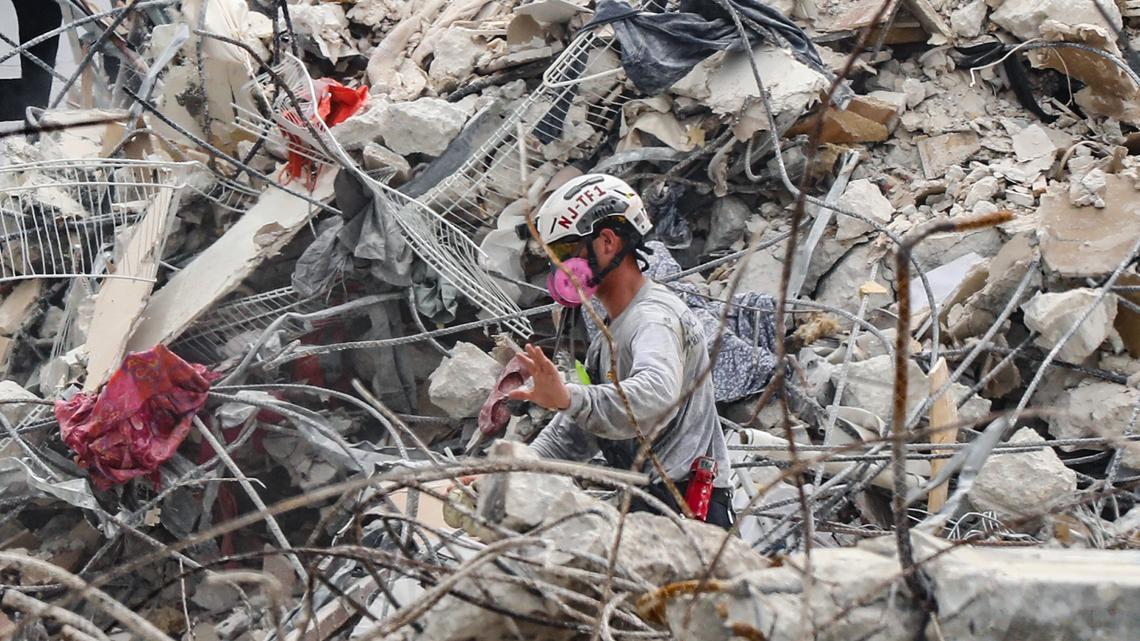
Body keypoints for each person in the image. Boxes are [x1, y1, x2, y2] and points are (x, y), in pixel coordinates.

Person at [508, 173, 735, 529]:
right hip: (650, 505)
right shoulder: (610, 333)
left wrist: (568, 397)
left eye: (566, 252)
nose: (558, 269)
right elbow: (576, 433)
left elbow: (656, 394)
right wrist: (507, 475)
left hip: (687, 512)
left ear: (608, 242)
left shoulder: (653, 319)